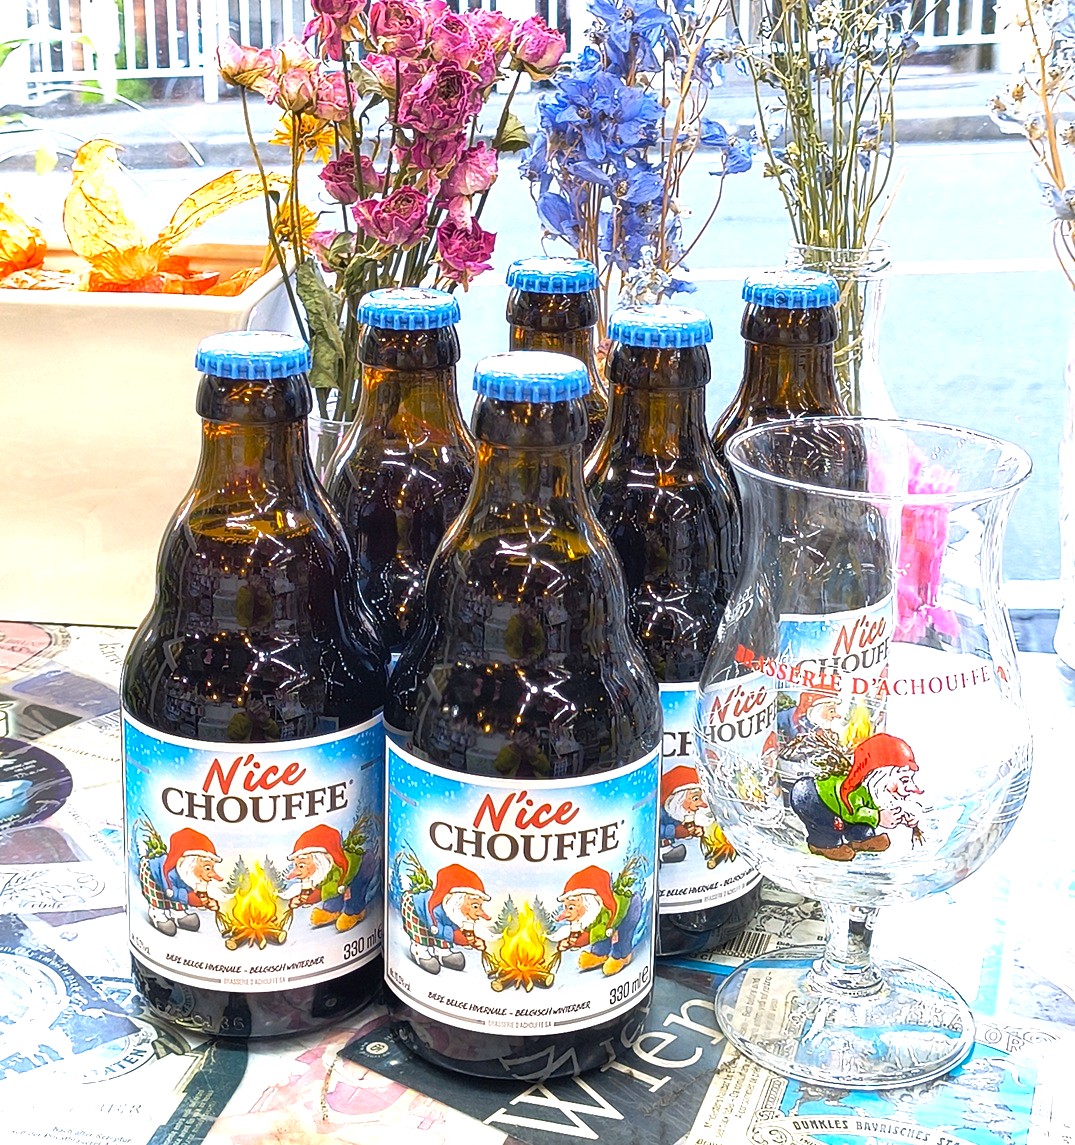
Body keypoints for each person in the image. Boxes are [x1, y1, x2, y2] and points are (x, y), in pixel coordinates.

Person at [789, 732, 923, 860]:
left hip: (842, 809)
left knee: (863, 822)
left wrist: (904, 817)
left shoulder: (874, 793)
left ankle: (860, 839)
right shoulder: (854, 789)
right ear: (880, 776)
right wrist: (878, 817)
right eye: (904, 780)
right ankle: (824, 845)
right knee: (828, 824)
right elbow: (851, 813)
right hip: (812, 797)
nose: (911, 788)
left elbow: (867, 812)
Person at [286, 823, 377, 933]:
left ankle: (355, 912)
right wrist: (303, 900)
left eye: (301, 865)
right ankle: (332, 911)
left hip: (362, 867)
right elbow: (321, 890)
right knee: (330, 891)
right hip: (342, 882)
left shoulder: (336, 867)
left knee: (354, 891)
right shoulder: (322, 873)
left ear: (318, 860)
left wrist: (345, 889)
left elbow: (334, 886)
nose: (297, 871)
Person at [402, 863, 492, 973]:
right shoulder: (435, 909)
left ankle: (442, 952)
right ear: (458, 900)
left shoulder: (456, 913)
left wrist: (472, 941)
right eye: (475, 906)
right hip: (415, 908)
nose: (479, 913)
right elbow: (437, 929)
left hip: (437, 920)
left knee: (446, 929)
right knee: (425, 932)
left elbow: (455, 931)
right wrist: (456, 937)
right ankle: (419, 951)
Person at [555, 864, 641, 977]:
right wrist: (571, 943)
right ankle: (599, 954)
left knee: (622, 933)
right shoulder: (591, 915)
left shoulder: (603, 910)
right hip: (608, 923)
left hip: (630, 909)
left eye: (571, 907)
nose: (567, 913)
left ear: (588, 902)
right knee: (599, 934)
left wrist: (577, 942)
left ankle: (621, 955)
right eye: (566, 907)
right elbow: (590, 932)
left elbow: (596, 932)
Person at [139, 827, 223, 937]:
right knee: (161, 895)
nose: (211, 874)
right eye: (207, 868)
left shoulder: (188, 875)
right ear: (191, 863)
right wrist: (190, 899)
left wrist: (206, 902)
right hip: (152, 873)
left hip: (173, 884)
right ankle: (157, 914)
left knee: (181, 891)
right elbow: (172, 893)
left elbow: (188, 891)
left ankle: (178, 915)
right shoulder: (169, 873)